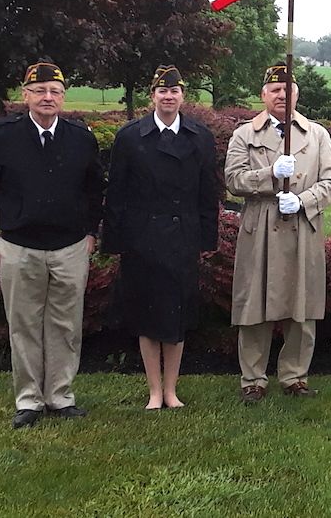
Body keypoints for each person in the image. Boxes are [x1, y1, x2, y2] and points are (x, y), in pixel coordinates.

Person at [0, 62, 104, 429]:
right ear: (25, 95)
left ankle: (60, 396)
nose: (47, 97)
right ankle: (28, 400)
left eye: (54, 91)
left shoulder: (80, 138)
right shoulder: (2, 136)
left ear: (63, 96)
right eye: (39, 91)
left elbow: (95, 190)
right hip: (19, 246)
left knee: (65, 325)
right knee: (24, 325)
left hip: (70, 246)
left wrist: (92, 232)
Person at [102, 65, 219, 410]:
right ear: (152, 96)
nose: (169, 97)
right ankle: (154, 391)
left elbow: (207, 192)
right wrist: (115, 241)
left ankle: (172, 389)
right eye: (162, 92)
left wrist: (206, 238)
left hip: (182, 236)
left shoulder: (200, 137)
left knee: (176, 315)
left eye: (175, 91)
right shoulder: (130, 137)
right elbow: (117, 193)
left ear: (183, 96)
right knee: (147, 315)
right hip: (141, 239)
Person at [225, 64, 331, 403]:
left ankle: (294, 376)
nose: (282, 95)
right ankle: (253, 379)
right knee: (254, 306)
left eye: (288, 88)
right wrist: (269, 174)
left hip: (300, 228)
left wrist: (303, 200)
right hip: (260, 227)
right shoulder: (245, 135)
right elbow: (233, 181)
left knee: (301, 306)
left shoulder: (317, 134)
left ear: (297, 94)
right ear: (263, 95)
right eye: (275, 90)